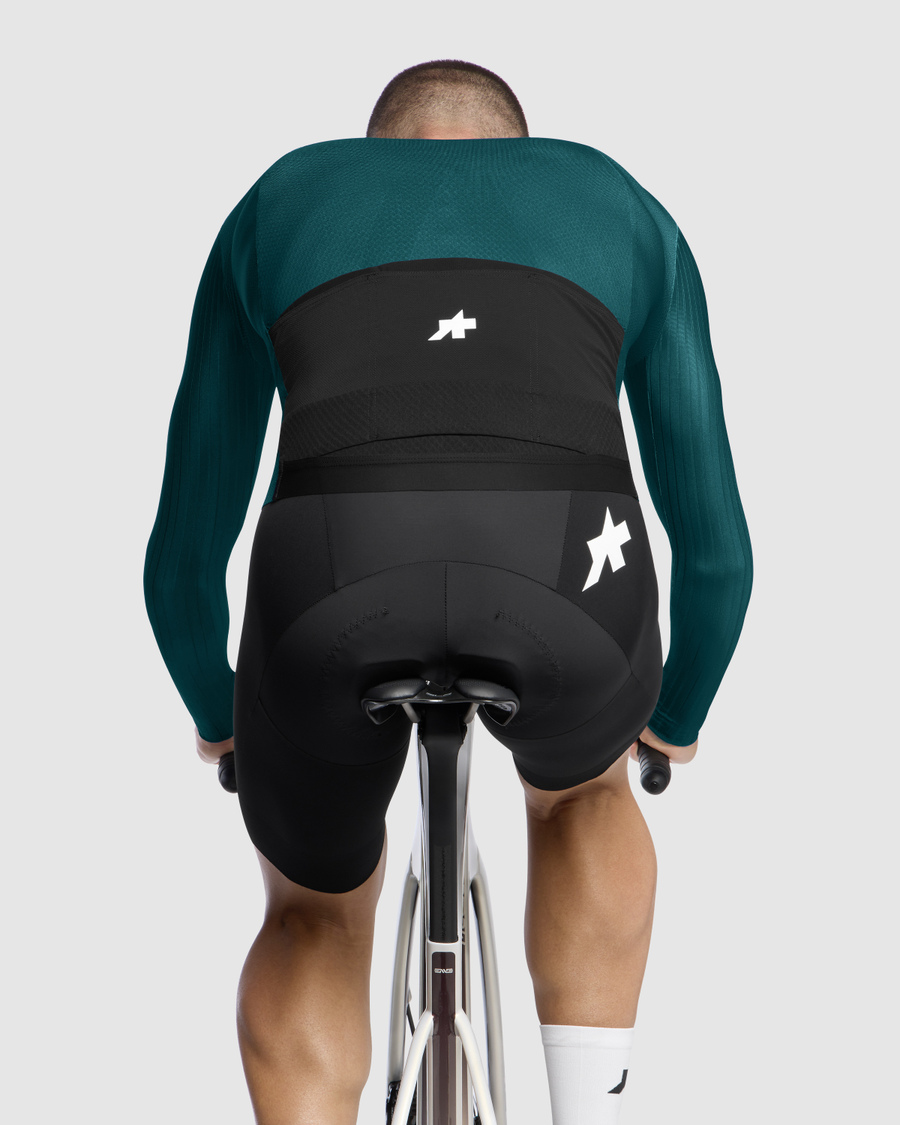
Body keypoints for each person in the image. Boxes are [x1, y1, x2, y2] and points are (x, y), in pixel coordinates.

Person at [144, 60, 752, 1125]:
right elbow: (718, 554)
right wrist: (677, 718)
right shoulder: (620, 204)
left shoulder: (281, 201)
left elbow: (183, 557)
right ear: (522, 148)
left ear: (373, 153)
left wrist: (219, 714)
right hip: (569, 572)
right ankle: (590, 1107)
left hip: (328, 574)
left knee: (313, 913)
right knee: (585, 796)